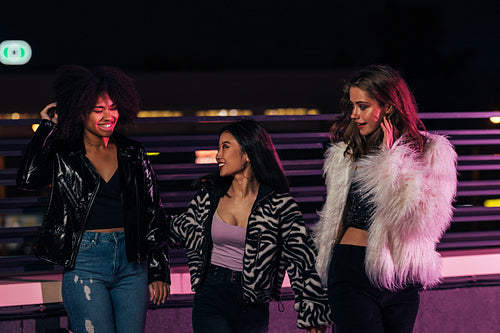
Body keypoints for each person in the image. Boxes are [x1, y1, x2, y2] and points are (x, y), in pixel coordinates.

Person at [17, 65, 170, 333]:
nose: (107, 116)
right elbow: (28, 179)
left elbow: (153, 212)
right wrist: (47, 128)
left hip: (132, 263)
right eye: (98, 109)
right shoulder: (65, 154)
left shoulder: (133, 153)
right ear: (81, 111)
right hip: (85, 262)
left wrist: (158, 270)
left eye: (113, 107)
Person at [313, 65, 457, 333]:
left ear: (388, 107)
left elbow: (426, 221)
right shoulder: (346, 154)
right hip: (350, 270)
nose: (354, 114)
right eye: (352, 106)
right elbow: (334, 219)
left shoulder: (432, 152)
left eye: (362, 106)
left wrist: (393, 161)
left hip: (401, 277)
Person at [167, 119, 331, 333]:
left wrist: (313, 312)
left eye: (225, 147)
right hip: (212, 294)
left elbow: (302, 259)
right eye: (219, 148)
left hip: (253, 303)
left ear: (247, 154)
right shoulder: (209, 197)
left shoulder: (280, 205)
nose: (218, 155)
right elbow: (173, 230)